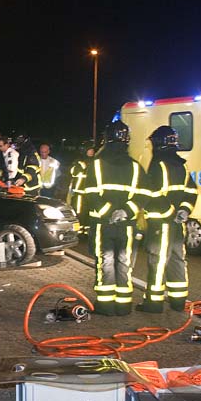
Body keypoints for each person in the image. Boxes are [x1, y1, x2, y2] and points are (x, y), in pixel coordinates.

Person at [83, 122, 147, 316]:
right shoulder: (136, 167)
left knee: (105, 261)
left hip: (103, 224)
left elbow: (91, 193)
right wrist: (126, 212)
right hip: (127, 225)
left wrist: (109, 212)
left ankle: (105, 305)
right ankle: (123, 305)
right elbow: (143, 194)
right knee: (124, 262)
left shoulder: (96, 164)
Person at [139, 125, 198, 313]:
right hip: (177, 225)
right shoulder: (182, 164)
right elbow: (192, 191)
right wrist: (183, 211)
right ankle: (178, 300)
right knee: (177, 260)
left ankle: (154, 303)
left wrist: (170, 212)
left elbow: (152, 193)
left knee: (157, 261)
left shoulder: (158, 164)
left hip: (161, 223)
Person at [69, 146, 95, 232]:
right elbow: (73, 172)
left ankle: (87, 230)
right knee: (78, 212)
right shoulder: (78, 161)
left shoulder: (95, 161)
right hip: (79, 192)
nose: (91, 152)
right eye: (89, 150)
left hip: (90, 192)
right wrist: (82, 166)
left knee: (88, 211)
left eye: (92, 150)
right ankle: (78, 230)